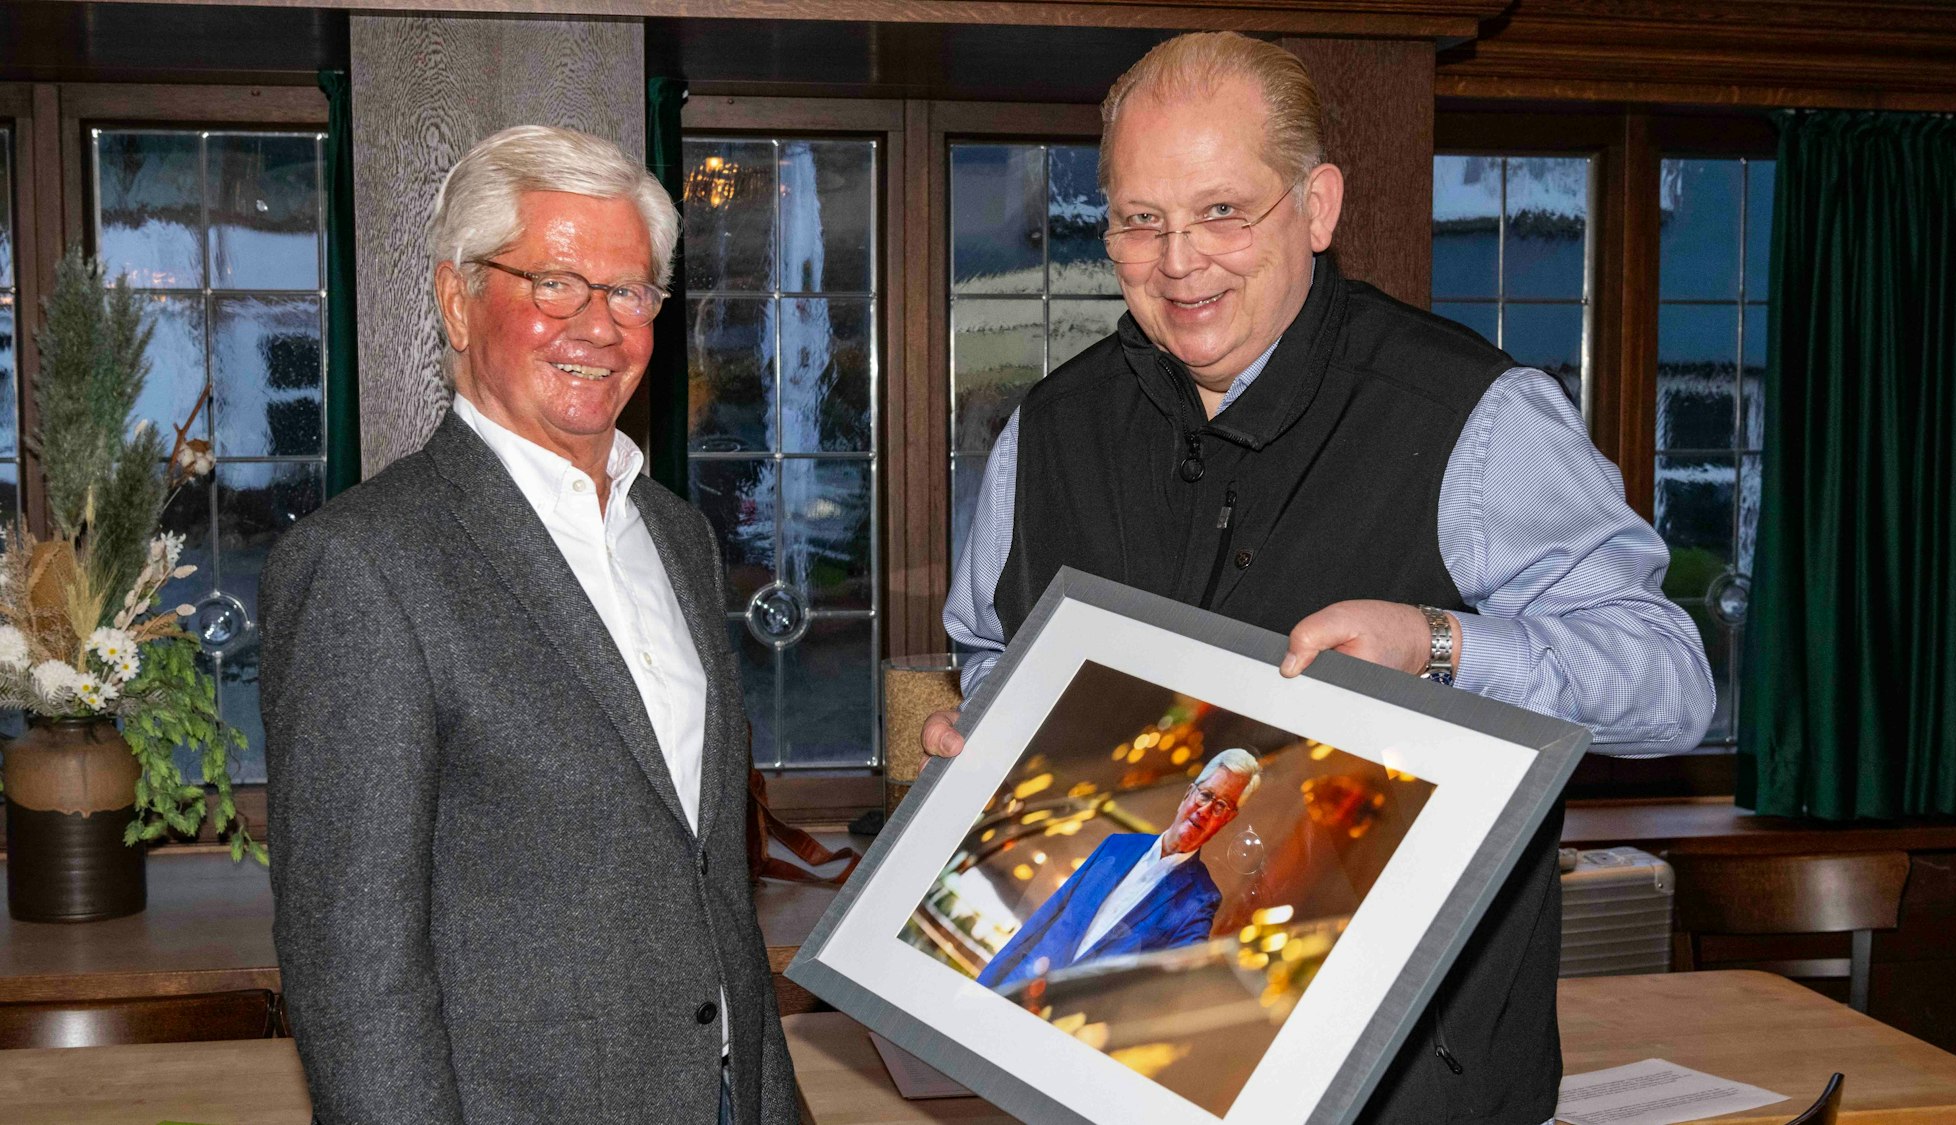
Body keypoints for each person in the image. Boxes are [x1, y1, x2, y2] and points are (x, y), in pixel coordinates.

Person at [923, 32, 1714, 1125]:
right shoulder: (1046, 431)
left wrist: (1440, 648)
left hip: (1414, 1093)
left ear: (1318, 206)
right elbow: (988, 650)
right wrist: (992, 726)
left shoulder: (1476, 418)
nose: (1177, 262)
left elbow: (1671, 685)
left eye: (1221, 212)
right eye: (1140, 219)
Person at [261, 125, 795, 1125]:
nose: (598, 327)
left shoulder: (677, 536)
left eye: (628, 291)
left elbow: (709, 879)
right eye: (554, 284)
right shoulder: (364, 564)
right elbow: (352, 968)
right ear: (457, 301)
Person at [977, 749, 1262, 991]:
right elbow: (1041, 922)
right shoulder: (1116, 846)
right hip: (1017, 987)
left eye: (1221, 806)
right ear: (1188, 793)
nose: (1205, 810)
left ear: (1228, 820)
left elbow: (1177, 977)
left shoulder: (1201, 900)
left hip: (1068, 1018)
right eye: (1206, 795)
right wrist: (982, 986)